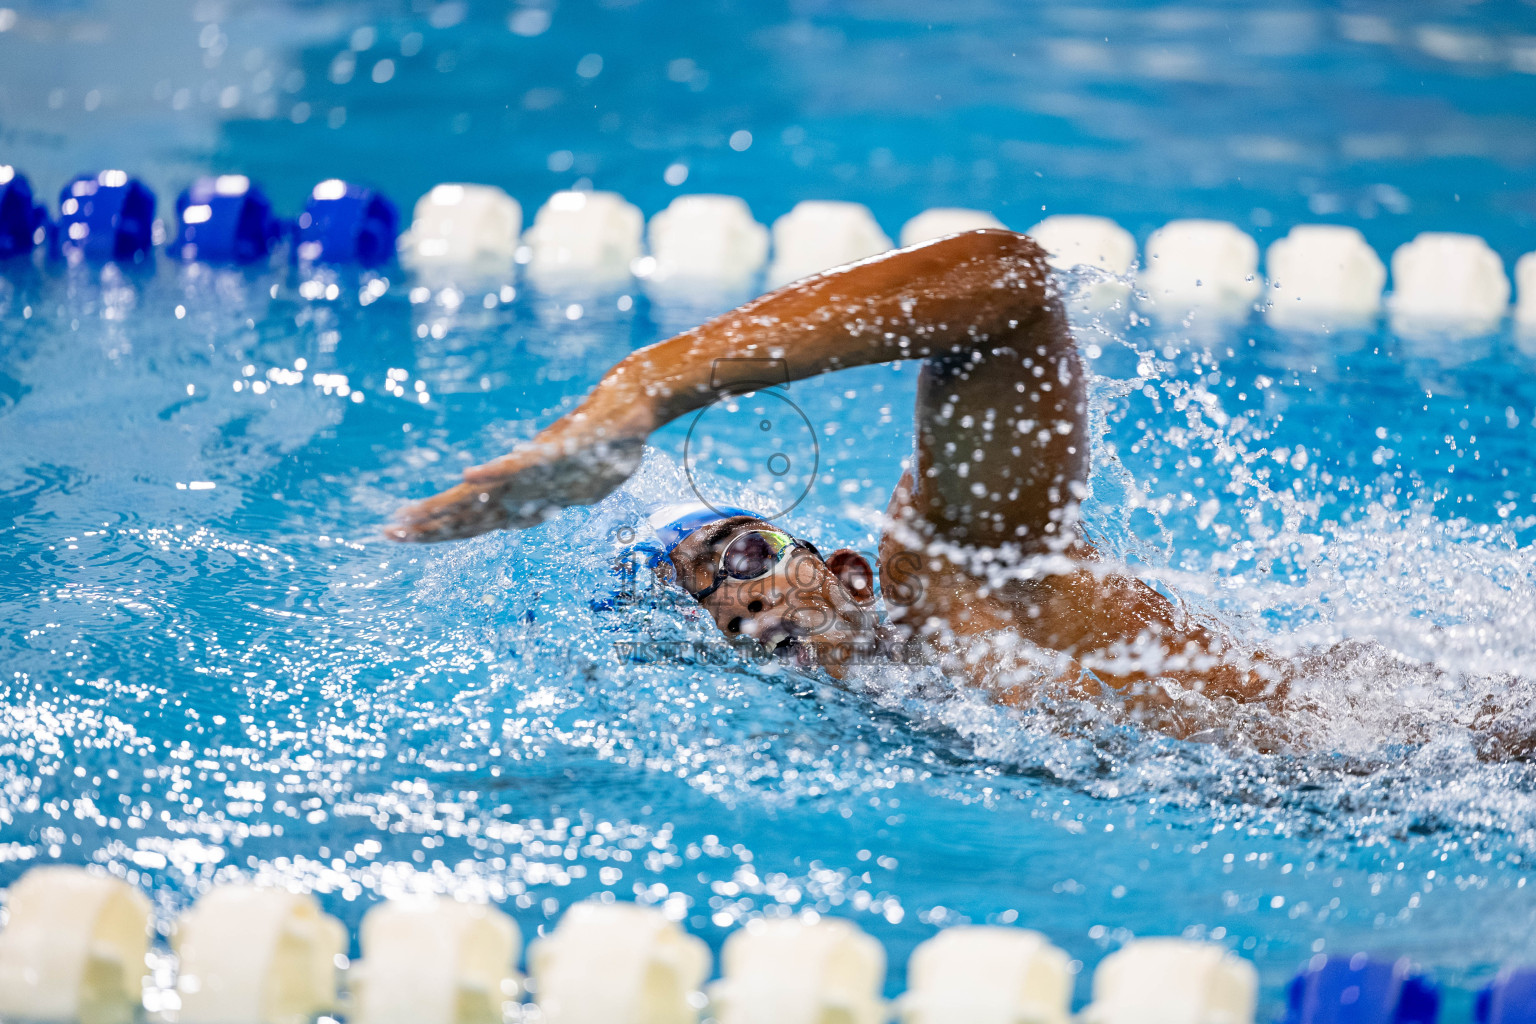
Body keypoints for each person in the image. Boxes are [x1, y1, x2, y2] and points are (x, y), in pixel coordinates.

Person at [389, 229, 1283, 740]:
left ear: (850, 571)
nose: (737, 608)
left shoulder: (958, 582)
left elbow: (1009, 285)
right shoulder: (889, 730)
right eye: (708, 618)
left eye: (739, 555)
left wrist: (644, 392)